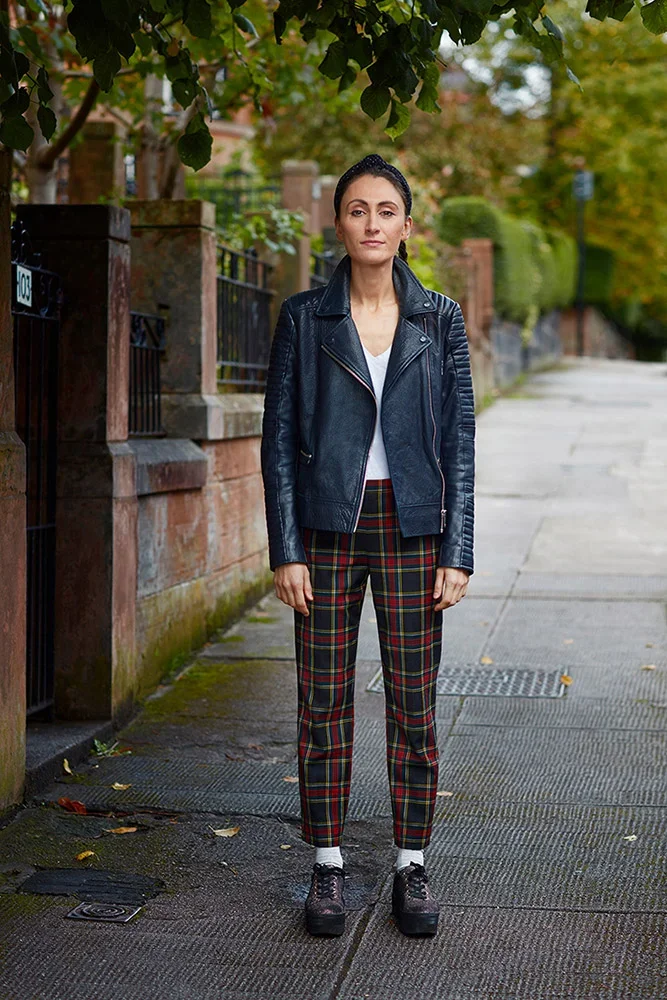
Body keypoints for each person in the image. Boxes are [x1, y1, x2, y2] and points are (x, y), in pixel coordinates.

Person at [260, 153, 475, 938]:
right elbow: (277, 437)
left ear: (405, 226)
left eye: (385, 211)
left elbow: (459, 439)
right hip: (324, 528)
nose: (371, 223)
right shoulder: (303, 316)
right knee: (322, 706)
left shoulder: (439, 318)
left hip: (414, 528)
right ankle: (325, 868)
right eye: (357, 210)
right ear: (339, 222)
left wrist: (459, 548)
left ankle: (410, 866)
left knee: (414, 708)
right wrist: (285, 547)